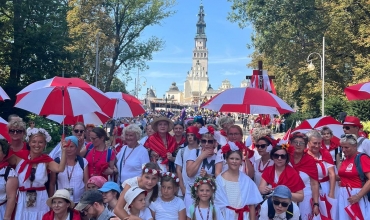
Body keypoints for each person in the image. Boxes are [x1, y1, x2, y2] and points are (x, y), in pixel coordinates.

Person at [8, 128, 68, 219]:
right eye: (34, 141)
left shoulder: (46, 160)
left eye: (40, 142)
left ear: (45, 144)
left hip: (40, 198)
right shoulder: (19, 157)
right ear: (29, 143)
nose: (37, 145)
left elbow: (60, 168)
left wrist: (64, 151)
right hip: (23, 198)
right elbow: (3, 162)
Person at [214, 141, 262, 220]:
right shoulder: (220, 179)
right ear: (226, 160)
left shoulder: (246, 181)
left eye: (237, 159)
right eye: (231, 158)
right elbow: (216, 205)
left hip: (243, 217)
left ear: (241, 161)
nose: (234, 161)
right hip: (225, 216)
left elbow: (251, 204)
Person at [185, 126, 223, 208]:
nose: (206, 144)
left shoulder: (218, 157)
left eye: (210, 141)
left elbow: (219, 180)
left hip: (209, 195)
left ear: (215, 143)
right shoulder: (194, 152)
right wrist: (201, 157)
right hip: (192, 194)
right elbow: (190, 173)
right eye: (204, 141)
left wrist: (208, 176)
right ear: (200, 142)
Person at [338, 134, 370, 220]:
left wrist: (358, 196)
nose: (343, 150)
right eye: (342, 147)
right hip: (343, 195)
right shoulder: (345, 159)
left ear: (355, 145)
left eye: (346, 147)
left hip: (356, 194)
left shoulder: (362, 158)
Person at [49, 136, 89, 205]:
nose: (68, 149)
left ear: (76, 148)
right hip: (61, 201)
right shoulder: (57, 161)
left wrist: (87, 201)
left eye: (71, 146)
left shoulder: (83, 162)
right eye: (66, 146)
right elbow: (52, 183)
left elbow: (86, 182)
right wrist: (51, 201)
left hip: (79, 201)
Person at [289, 133, 320, 219]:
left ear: (305, 145)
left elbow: (314, 184)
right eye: (295, 142)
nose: (298, 145)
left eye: (301, 143)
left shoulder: (310, 161)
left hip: (305, 198)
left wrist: (316, 204)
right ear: (290, 143)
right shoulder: (285, 158)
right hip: (288, 196)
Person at [306, 130, 336, 198]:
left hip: (325, 187)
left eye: (319, 143)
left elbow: (332, 174)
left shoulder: (325, 153)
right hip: (309, 188)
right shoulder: (304, 155)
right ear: (308, 143)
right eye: (314, 143)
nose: (317, 146)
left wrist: (331, 192)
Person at [175, 126, 200, 199]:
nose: (190, 137)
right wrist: (182, 187)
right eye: (188, 135)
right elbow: (178, 170)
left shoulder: (201, 151)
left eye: (192, 135)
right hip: (184, 188)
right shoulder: (181, 151)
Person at [0, 139, 18, 220]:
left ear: (4, 154)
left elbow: (11, 197)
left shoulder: (9, 172)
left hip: (2, 211)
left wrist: (7, 217)